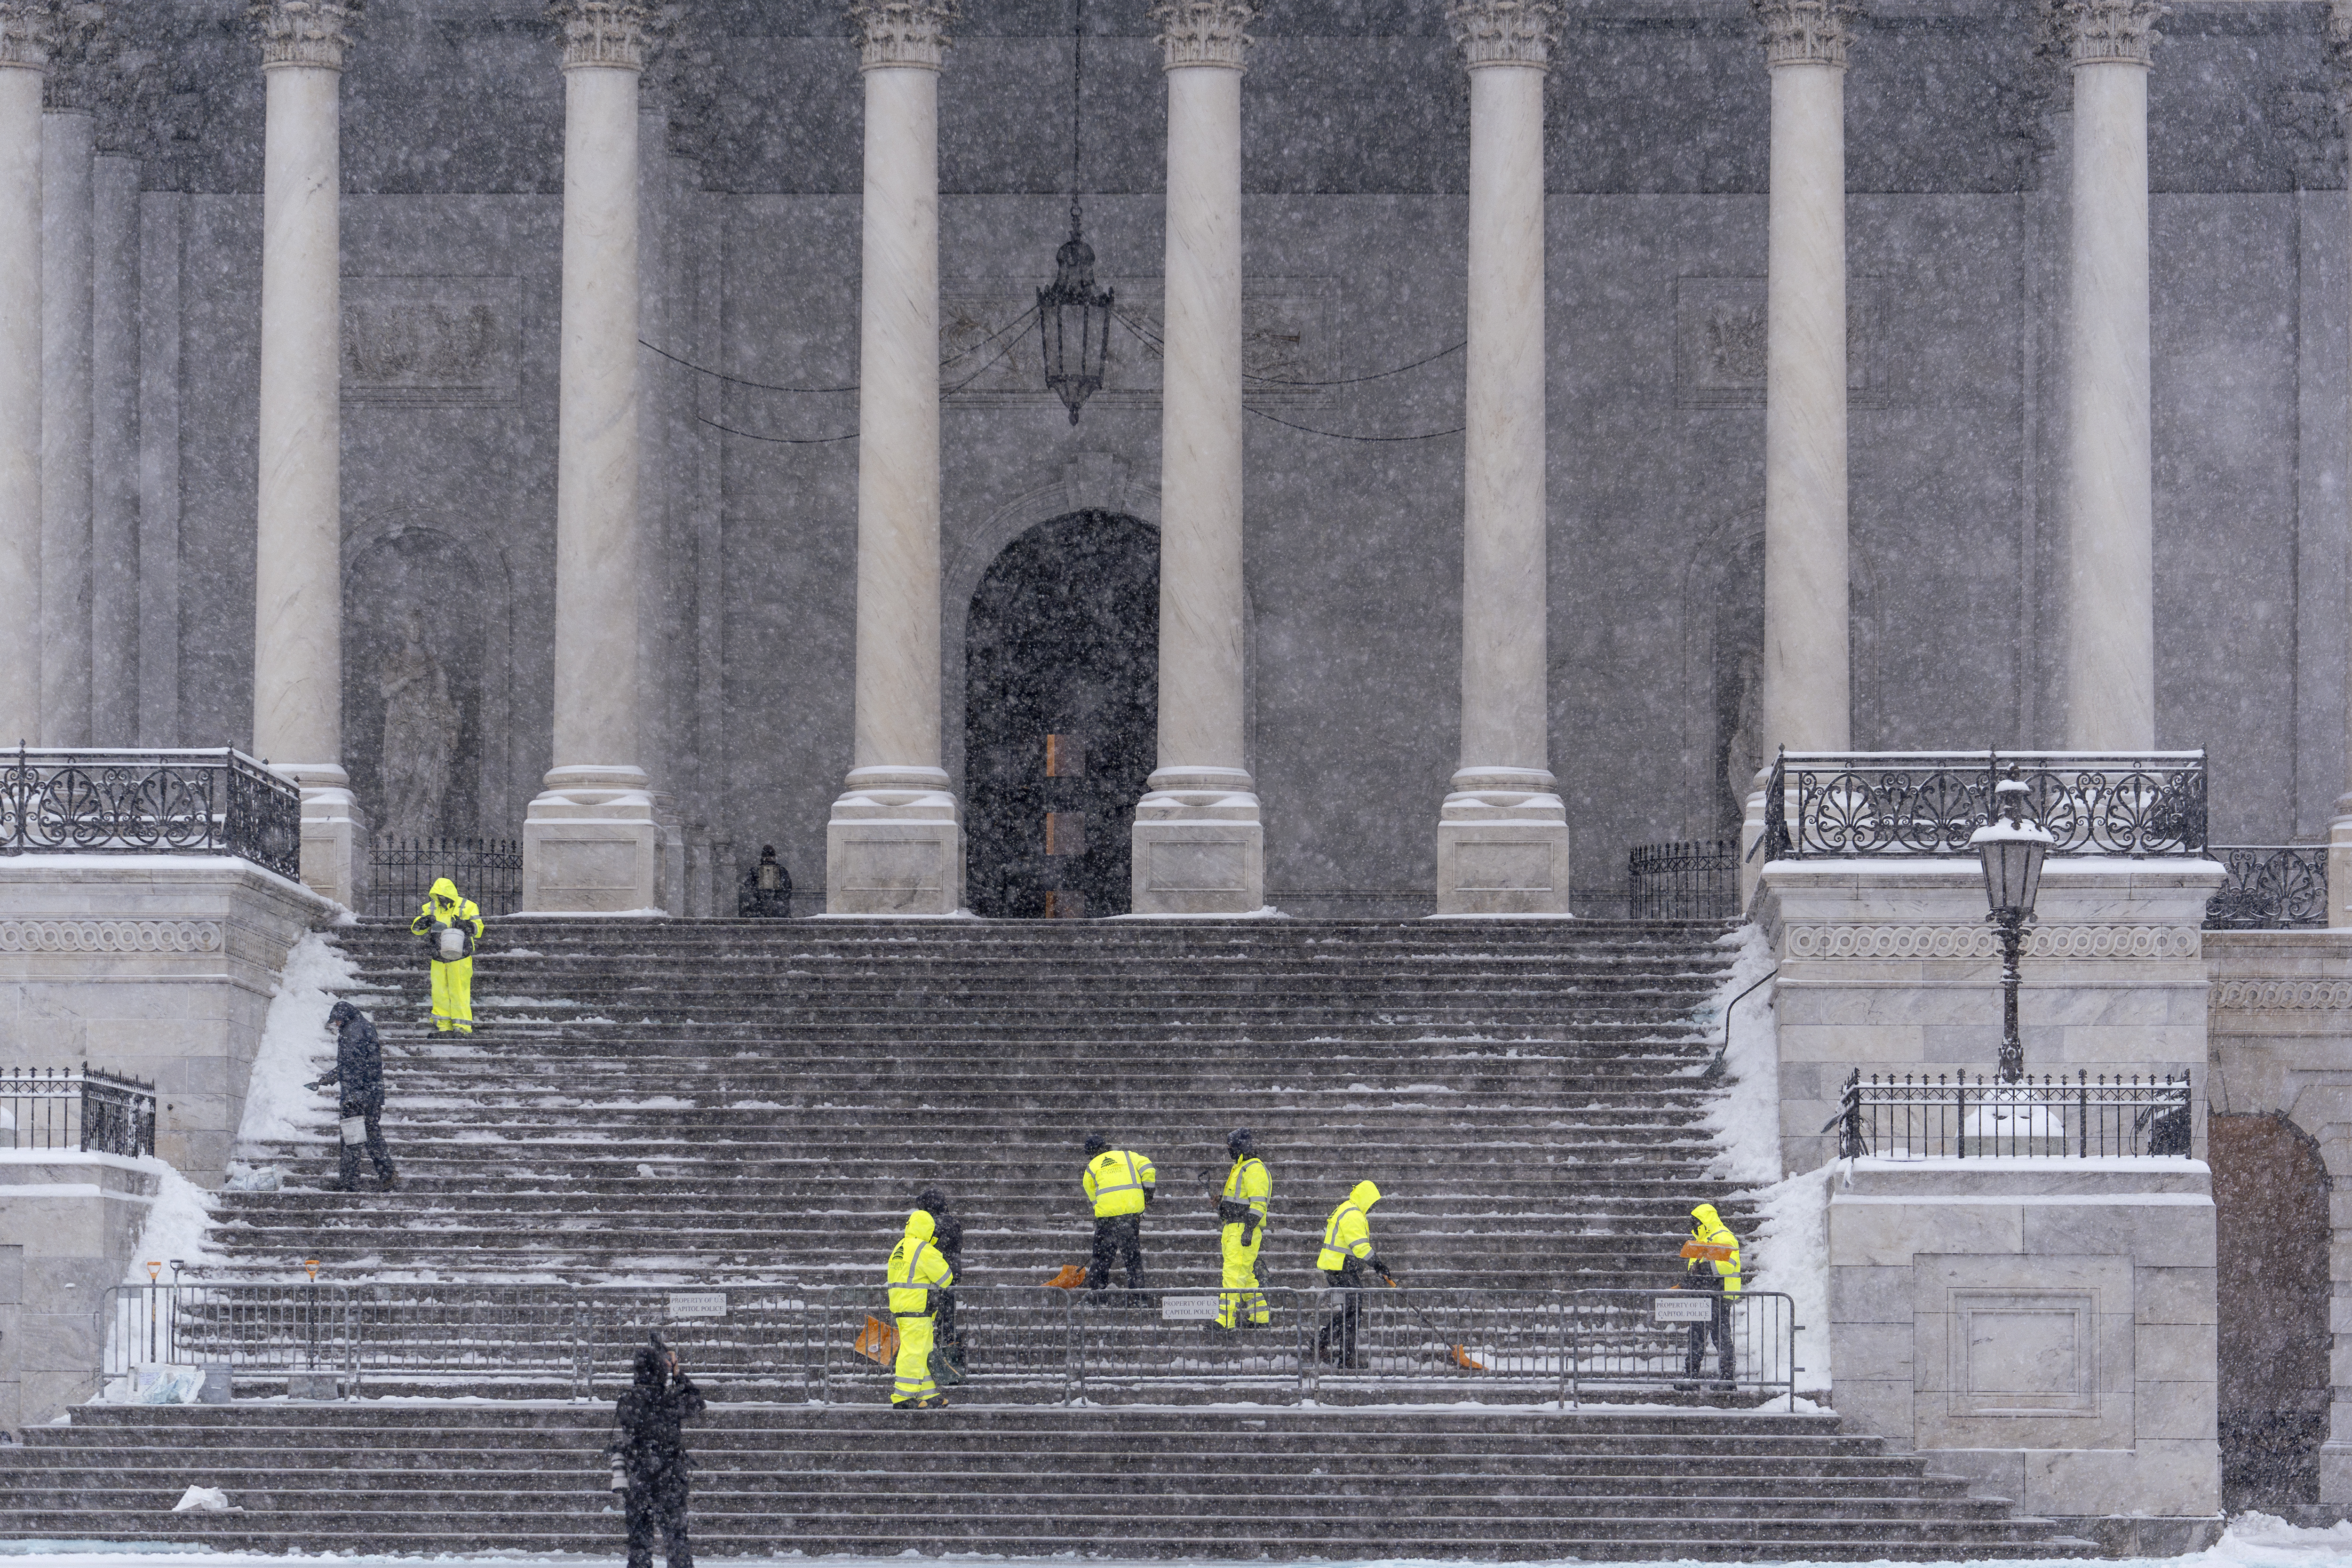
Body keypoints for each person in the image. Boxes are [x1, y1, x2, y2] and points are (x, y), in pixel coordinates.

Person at [609, 1335, 704, 1568]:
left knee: (639, 1543)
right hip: (670, 1478)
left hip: (638, 1478)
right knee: (676, 1540)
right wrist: (678, 1374)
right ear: (660, 1371)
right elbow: (697, 1403)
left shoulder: (627, 1401)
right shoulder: (670, 1400)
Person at [308, 1000, 397, 1192]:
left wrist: (344, 1090)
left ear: (345, 1017)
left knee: (352, 1139)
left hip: (356, 1096)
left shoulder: (350, 1033)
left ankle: (349, 1181)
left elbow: (351, 1066)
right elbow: (364, 1063)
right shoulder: (366, 1027)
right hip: (372, 1094)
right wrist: (329, 1079)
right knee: (373, 1136)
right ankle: (387, 1174)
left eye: (338, 1020)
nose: (337, 1024)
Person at [1313, 1180, 1390, 1369]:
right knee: (1353, 1314)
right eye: (1372, 1203)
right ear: (1365, 1198)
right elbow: (1360, 1246)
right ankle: (1342, 1355)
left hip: (1338, 1269)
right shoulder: (1353, 1214)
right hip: (1342, 1270)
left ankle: (1327, 1345)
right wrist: (1379, 1265)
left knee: (1350, 1313)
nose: (1372, 1208)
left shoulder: (1347, 1209)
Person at [887, 1207, 954, 1409]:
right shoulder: (923, 1249)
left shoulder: (901, 1246)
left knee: (923, 1353)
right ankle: (903, 1397)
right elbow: (945, 1278)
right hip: (917, 1309)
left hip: (905, 1308)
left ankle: (929, 1393)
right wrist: (936, 1250)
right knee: (913, 1353)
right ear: (928, 1230)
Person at [1080, 1133, 1156, 1298]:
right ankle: (1138, 1297)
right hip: (1129, 1218)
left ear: (1091, 1153)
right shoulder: (1128, 1156)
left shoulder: (1092, 1166)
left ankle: (1097, 1297)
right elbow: (1149, 1169)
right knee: (1133, 1259)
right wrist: (1147, 1196)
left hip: (1107, 1221)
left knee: (1101, 1260)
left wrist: (1103, 1210)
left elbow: (1090, 1191)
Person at [1681, 1201, 1743, 1389]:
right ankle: (1691, 1378)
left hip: (1719, 1295)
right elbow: (1695, 1269)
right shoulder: (1701, 1241)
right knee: (1696, 1337)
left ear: (1705, 1221)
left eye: (1696, 1222)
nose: (1693, 1226)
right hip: (1703, 1295)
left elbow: (1728, 1265)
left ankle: (1727, 1380)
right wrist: (1689, 1280)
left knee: (1720, 1337)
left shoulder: (1723, 1236)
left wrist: (1704, 1267)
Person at [409, 876, 483, 1034]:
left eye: (444, 897)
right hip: (438, 955)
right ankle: (444, 1027)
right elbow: (417, 929)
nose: (442, 900)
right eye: (439, 897)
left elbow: (479, 929)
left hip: (460, 955)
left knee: (459, 991)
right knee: (439, 992)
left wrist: (467, 925)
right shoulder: (431, 907)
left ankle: (462, 1027)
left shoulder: (467, 906)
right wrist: (423, 922)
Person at [1214, 1128, 1271, 1329]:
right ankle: (1261, 1317)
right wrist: (1222, 1204)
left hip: (1242, 1229)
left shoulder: (1253, 1168)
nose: (1229, 1150)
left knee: (1232, 1276)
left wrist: (1248, 1230)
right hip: (1233, 1228)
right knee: (1245, 1277)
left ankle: (1224, 1322)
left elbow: (1258, 1204)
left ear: (1239, 1146)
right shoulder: (1241, 1167)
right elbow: (1239, 1200)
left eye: (1231, 1147)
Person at [915, 1186, 965, 1377]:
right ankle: (950, 1366)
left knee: (939, 1323)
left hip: (938, 1278)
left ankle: (944, 1368)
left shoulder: (938, 1226)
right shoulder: (952, 1223)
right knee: (947, 1322)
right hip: (947, 1278)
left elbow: (930, 1249)